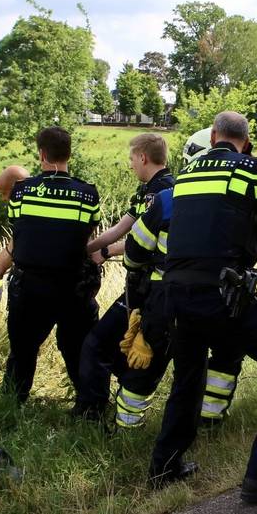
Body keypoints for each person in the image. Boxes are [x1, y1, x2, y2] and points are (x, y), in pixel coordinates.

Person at [129, 111, 257, 504]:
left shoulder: (184, 178)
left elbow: (144, 244)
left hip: (176, 297)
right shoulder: (251, 169)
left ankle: (165, 468)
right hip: (224, 296)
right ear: (244, 143)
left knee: (188, 379)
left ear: (213, 137)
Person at [98, 128, 246, 429]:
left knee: (148, 360)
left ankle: (128, 425)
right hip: (223, 298)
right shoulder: (238, 198)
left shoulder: (168, 198)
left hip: (168, 299)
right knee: (224, 356)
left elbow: (135, 251)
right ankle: (209, 421)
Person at [0, 127, 101, 402]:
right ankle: (91, 407)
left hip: (30, 288)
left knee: (22, 350)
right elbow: (86, 237)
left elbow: (19, 240)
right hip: (73, 287)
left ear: (41, 154)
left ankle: (12, 404)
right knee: (78, 349)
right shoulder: (88, 195)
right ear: (69, 154)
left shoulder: (21, 193)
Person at [72, 133, 179, 422]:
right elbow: (120, 229)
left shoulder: (163, 192)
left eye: (132, 158)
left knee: (96, 343)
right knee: (118, 347)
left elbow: (141, 242)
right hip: (140, 287)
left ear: (143, 157)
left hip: (150, 289)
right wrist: (82, 250)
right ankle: (114, 399)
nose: (130, 164)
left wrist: (106, 252)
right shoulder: (147, 190)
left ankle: (91, 412)